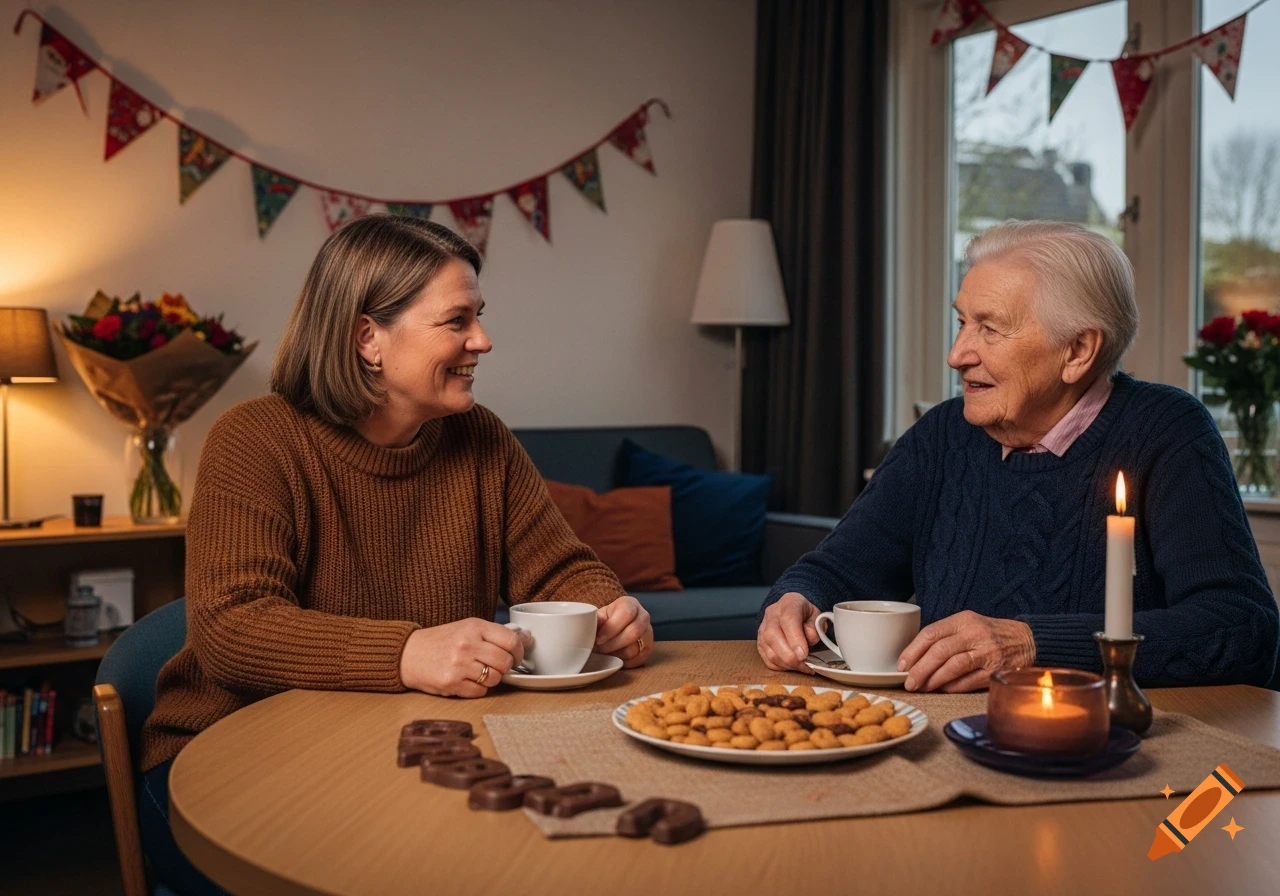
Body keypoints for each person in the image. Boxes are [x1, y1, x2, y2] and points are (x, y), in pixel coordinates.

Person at [136, 215, 653, 894]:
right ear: (367, 337)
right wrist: (408, 653)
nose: (483, 340)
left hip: (396, 751)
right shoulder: (255, 441)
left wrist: (606, 609)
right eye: (456, 321)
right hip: (221, 760)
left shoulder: (481, 439)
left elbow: (559, 567)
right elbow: (234, 628)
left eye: (480, 316)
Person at [757, 220, 1278, 693]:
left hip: (1110, 746)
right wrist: (797, 599)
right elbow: (839, 570)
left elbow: (1242, 627)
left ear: (1077, 351)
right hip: (940, 732)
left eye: (989, 328)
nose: (957, 354)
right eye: (961, 322)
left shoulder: (1167, 431)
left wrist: (1035, 646)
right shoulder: (941, 435)